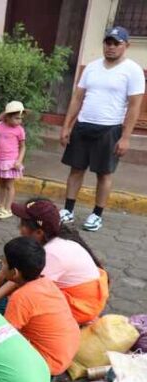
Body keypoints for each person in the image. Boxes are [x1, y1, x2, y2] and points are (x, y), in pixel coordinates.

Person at [59, 26, 145, 232]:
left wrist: (125, 137)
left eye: (117, 43)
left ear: (126, 45)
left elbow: (134, 107)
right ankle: (68, 210)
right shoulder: (92, 67)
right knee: (76, 169)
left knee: (104, 174)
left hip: (110, 129)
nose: (111, 47)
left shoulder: (132, 70)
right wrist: (67, 126)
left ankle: (97, 214)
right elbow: (78, 98)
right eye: (108, 42)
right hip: (83, 126)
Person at [0, 199, 109, 325]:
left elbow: (23, 281)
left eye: (22, 225)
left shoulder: (51, 254)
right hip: (86, 295)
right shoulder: (53, 239)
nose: (19, 228)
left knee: (22, 297)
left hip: (81, 307)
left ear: (39, 233)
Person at [2, 237, 81, 376]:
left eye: (3, 262)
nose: (1, 265)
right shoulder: (46, 282)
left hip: (48, 363)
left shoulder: (20, 298)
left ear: (14, 273)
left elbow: (3, 337)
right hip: (69, 349)